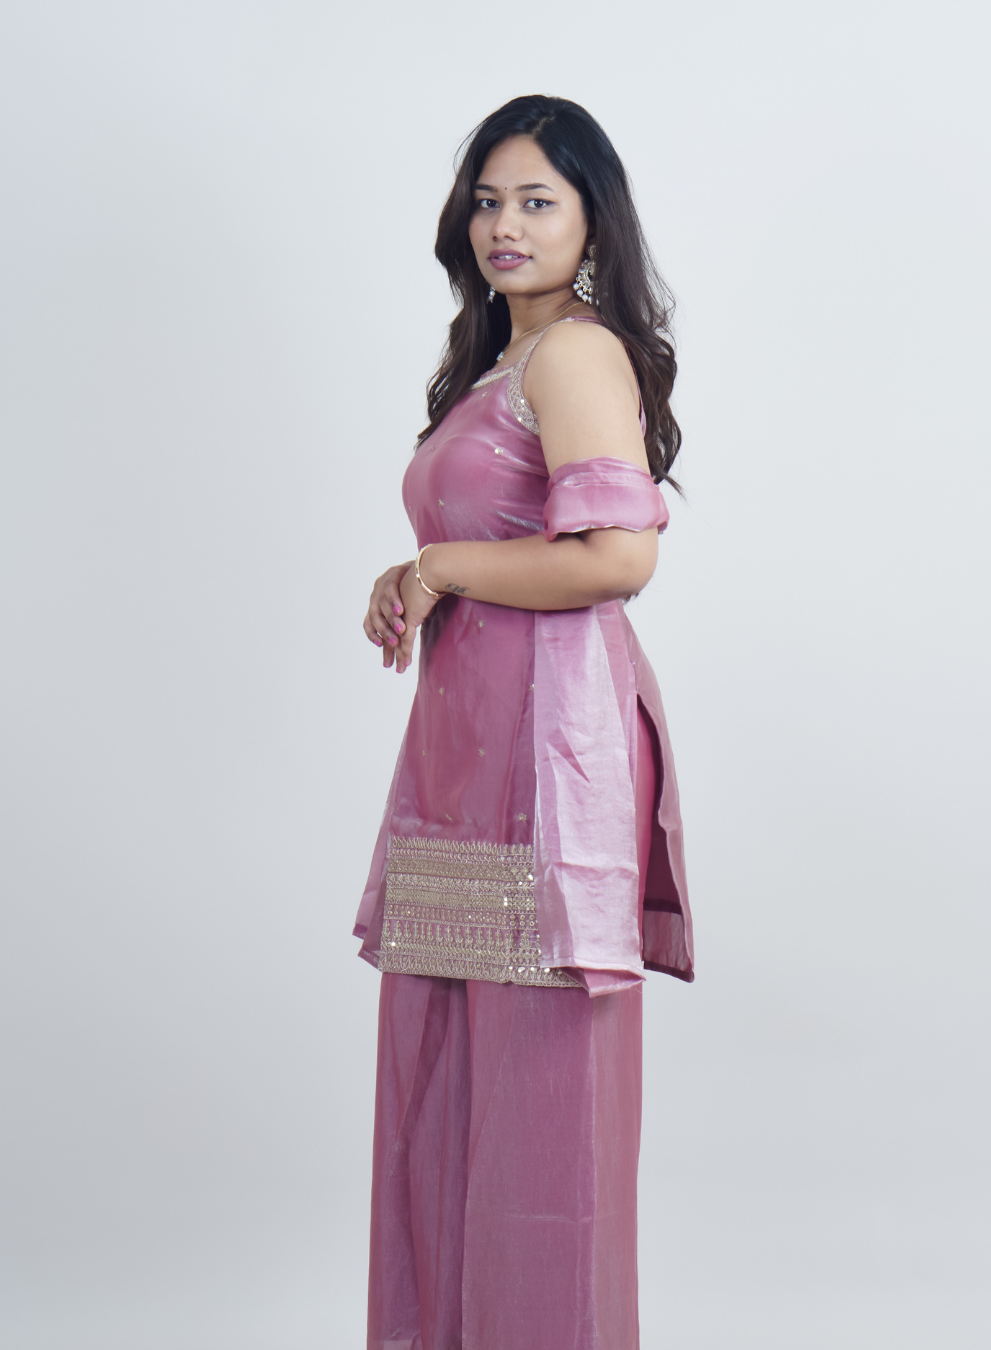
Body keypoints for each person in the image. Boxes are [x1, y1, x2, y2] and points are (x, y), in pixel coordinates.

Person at [356, 94, 694, 1350]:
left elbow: (616, 558)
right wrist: (422, 571)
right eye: (488, 200)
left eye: (536, 199)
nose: (504, 223)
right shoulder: (502, 360)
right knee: (448, 1102)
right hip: (466, 761)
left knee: (542, 1120)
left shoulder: (576, 353)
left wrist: (441, 564)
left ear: (591, 219)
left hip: (552, 769)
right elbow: (497, 545)